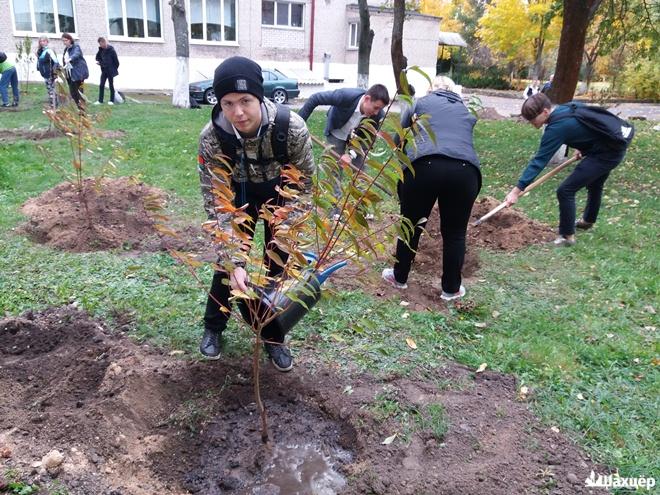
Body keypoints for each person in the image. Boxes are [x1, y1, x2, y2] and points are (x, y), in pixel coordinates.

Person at [197, 56, 315, 371]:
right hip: (237, 199)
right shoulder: (212, 139)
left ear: (259, 96)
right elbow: (215, 204)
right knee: (226, 271)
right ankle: (213, 327)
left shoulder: (291, 128)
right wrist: (233, 259)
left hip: (282, 195)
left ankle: (273, 338)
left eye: (246, 101)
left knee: (278, 263)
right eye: (228, 103)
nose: (237, 112)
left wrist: (287, 229)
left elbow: (305, 187)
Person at [381, 76, 481, 301]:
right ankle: (451, 289)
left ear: (432, 90)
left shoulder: (421, 103)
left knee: (411, 224)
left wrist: (401, 164)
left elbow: (401, 134)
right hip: (465, 172)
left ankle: (399, 278)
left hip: (424, 166)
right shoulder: (465, 111)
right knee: (455, 233)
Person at [505, 93, 630, 247]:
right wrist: (581, 146)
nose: (531, 122)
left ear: (545, 112)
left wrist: (516, 191)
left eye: (532, 118)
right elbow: (584, 123)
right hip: (610, 147)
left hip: (606, 154)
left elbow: (539, 162)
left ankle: (566, 236)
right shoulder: (566, 107)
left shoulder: (555, 129)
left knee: (565, 191)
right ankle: (588, 220)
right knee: (594, 184)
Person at [297, 83, 390, 215]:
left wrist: (350, 155)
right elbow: (315, 98)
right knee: (334, 170)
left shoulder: (378, 115)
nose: (376, 112)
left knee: (360, 171)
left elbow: (367, 142)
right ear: (367, 99)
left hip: (358, 138)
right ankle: (335, 209)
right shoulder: (345, 96)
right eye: (375, 108)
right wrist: (298, 123)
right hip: (338, 130)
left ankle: (360, 210)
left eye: (379, 109)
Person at [61, 33, 89, 109]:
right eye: (63, 41)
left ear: (70, 40)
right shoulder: (66, 49)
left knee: (80, 92)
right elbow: (64, 60)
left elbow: (76, 54)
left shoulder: (76, 47)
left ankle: (82, 110)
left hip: (79, 74)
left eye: (66, 40)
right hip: (70, 74)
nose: (64, 42)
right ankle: (79, 107)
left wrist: (70, 59)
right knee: (73, 93)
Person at [36, 36, 60, 109]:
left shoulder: (49, 50)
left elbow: (56, 62)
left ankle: (54, 107)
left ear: (47, 41)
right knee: (49, 90)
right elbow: (40, 62)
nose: (42, 42)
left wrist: (54, 72)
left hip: (50, 73)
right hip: (45, 73)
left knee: (51, 90)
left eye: (44, 41)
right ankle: (54, 105)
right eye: (41, 41)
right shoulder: (40, 51)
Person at [94, 37, 119, 105]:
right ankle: (100, 100)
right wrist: (100, 62)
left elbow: (116, 62)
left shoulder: (111, 50)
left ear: (104, 42)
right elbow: (97, 58)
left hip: (110, 71)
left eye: (101, 44)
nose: (101, 45)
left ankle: (111, 100)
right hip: (104, 70)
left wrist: (113, 69)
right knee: (101, 85)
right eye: (100, 44)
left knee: (111, 85)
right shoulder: (101, 50)